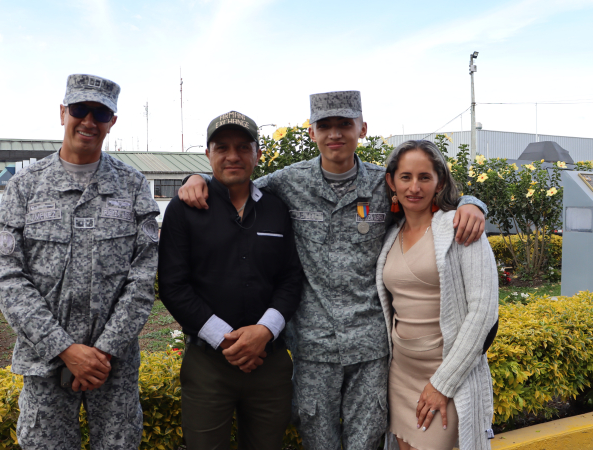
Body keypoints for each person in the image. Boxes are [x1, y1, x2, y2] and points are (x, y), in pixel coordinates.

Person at [177, 91, 488, 450]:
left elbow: (430, 193)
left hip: (371, 348)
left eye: (345, 124)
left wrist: (472, 203)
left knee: (365, 442)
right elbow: (234, 182)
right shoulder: (289, 182)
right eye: (325, 126)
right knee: (318, 443)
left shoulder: (382, 183)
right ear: (312, 132)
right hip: (313, 348)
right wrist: (195, 176)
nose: (335, 134)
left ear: (362, 129)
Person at [0, 74, 159, 450]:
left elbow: (144, 274)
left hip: (112, 366)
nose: (89, 121)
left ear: (112, 121)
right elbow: (7, 276)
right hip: (45, 362)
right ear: (63, 112)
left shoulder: (132, 185)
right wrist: (64, 348)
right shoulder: (26, 186)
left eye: (100, 113)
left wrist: (102, 352)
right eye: (80, 109)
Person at [158, 111, 304, 450]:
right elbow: (173, 285)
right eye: (221, 147)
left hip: (269, 362)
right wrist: (226, 340)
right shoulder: (184, 210)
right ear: (208, 154)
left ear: (258, 154)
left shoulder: (277, 209)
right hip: (208, 363)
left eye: (243, 147)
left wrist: (263, 331)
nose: (233, 156)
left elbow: (291, 278)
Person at [376, 139, 498, 450]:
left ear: (439, 181)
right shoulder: (390, 233)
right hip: (401, 374)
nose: (414, 187)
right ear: (392, 181)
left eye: (424, 177)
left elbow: (483, 313)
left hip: (446, 375)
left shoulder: (461, 227)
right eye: (405, 177)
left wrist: (442, 384)